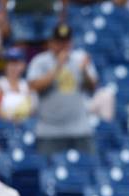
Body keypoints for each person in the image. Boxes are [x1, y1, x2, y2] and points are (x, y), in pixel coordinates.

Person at [27, 23, 97, 155]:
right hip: (49, 131)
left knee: (87, 167)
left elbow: (93, 88)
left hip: (79, 128)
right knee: (47, 171)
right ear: (51, 43)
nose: (63, 46)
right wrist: (58, 67)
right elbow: (34, 87)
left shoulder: (80, 59)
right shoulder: (40, 61)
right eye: (59, 42)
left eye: (66, 42)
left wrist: (85, 72)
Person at [0, 47, 36, 123]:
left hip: (23, 127)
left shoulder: (27, 85)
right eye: (10, 63)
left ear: (23, 65)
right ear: (4, 65)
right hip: (3, 127)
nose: (13, 67)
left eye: (17, 63)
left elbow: (32, 110)